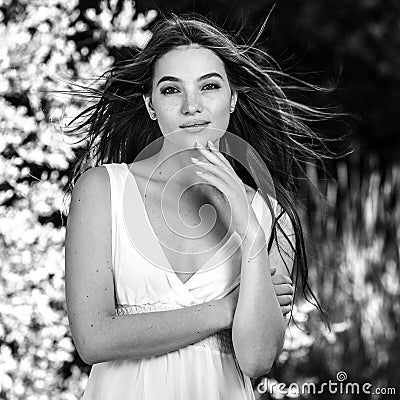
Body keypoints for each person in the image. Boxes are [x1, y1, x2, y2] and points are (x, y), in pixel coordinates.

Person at [64, 12, 335, 400]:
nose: (192, 106)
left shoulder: (269, 216)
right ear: (151, 104)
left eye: (209, 86)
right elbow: (93, 339)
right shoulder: (102, 189)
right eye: (172, 90)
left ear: (233, 98)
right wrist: (226, 310)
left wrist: (252, 235)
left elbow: (257, 360)